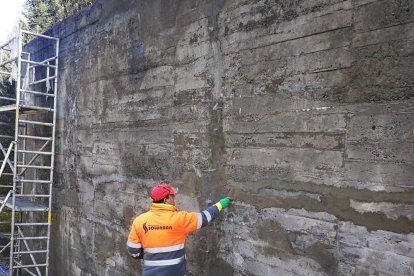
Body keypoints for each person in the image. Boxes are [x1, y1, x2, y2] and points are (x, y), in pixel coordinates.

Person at [127, 183, 231, 276]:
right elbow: (203, 218)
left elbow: (133, 251)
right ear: (165, 199)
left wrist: (151, 257)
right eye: (172, 196)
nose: (174, 198)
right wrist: (220, 205)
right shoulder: (179, 219)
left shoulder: (140, 221)